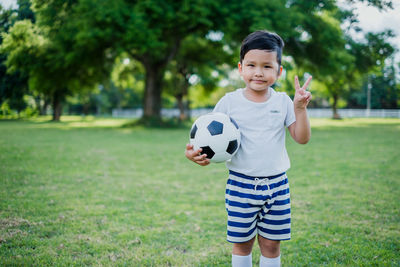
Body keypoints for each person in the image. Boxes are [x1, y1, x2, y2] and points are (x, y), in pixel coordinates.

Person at [185, 30, 312, 267]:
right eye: (251, 65)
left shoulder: (283, 101)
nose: (258, 72)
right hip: (240, 185)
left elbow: (301, 138)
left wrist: (300, 109)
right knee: (242, 243)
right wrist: (192, 153)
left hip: (277, 186)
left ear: (279, 71)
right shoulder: (229, 102)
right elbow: (203, 139)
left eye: (267, 66)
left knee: (271, 244)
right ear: (241, 68)